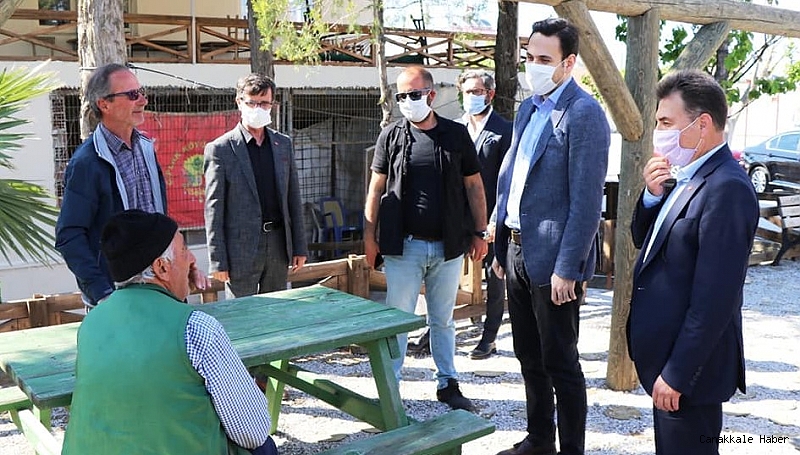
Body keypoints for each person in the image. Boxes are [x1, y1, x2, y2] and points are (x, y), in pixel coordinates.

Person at [62, 209, 277, 455]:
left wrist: (179, 288)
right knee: (263, 447)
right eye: (184, 250)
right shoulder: (195, 327)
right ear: (162, 267)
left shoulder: (91, 323)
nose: (192, 259)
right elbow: (252, 431)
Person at [492, 18, 610, 455]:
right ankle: (539, 439)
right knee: (528, 355)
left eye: (544, 59)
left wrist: (568, 267)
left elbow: (586, 202)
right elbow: (512, 180)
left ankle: (571, 449)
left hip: (555, 263)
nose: (534, 66)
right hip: (517, 251)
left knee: (561, 362)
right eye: (530, 57)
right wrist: (500, 244)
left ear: (569, 63)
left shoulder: (584, 114)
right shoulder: (528, 109)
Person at [628, 70, 758, 455]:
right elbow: (645, 242)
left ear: (702, 124)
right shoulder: (686, 173)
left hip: (689, 374)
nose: (659, 133)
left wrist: (678, 373)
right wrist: (652, 196)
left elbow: (715, 298)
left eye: (666, 123)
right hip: (664, 359)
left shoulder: (727, 187)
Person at [364, 66, 488, 412]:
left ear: (431, 95)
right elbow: (375, 188)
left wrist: (480, 231)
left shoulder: (455, 134)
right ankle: (390, 389)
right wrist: (369, 237)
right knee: (398, 319)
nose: (407, 101)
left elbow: (474, 185)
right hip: (404, 246)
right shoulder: (390, 136)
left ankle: (448, 384)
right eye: (401, 95)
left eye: (414, 94)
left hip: (448, 246)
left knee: (443, 319)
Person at [55, 63, 204, 309]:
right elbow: (68, 236)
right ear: (104, 104)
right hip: (117, 299)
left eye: (142, 92)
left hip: (162, 291)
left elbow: (160, 222)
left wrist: (184, 261)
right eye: (133, 94)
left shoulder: (146, 147)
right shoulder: (87, 162)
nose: (143, 100)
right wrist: (102, 293)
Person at [204, 73, 307, 298]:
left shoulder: (282, 144)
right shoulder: (221, 149)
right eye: (252, 102)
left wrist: (299, 246)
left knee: (275, 309)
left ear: (272, 104)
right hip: (240, 250)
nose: (258, 108)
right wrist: (218, 260)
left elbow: (293, 198)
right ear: (239, 102)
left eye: (264, 103)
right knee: (241, 312)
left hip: (278, 244)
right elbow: (214, 208)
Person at [457, 69, 512, 360]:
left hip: (492, 217)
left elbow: (507, 181)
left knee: (495, 277)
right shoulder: (455, 128)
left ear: (490, 94)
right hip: (457, 217)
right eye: (467, 92)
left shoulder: (505, 131)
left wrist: (494, 221)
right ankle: (434, 331)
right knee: (444, 275)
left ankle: (489, 337)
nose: (472, 97)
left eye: (477, 92)